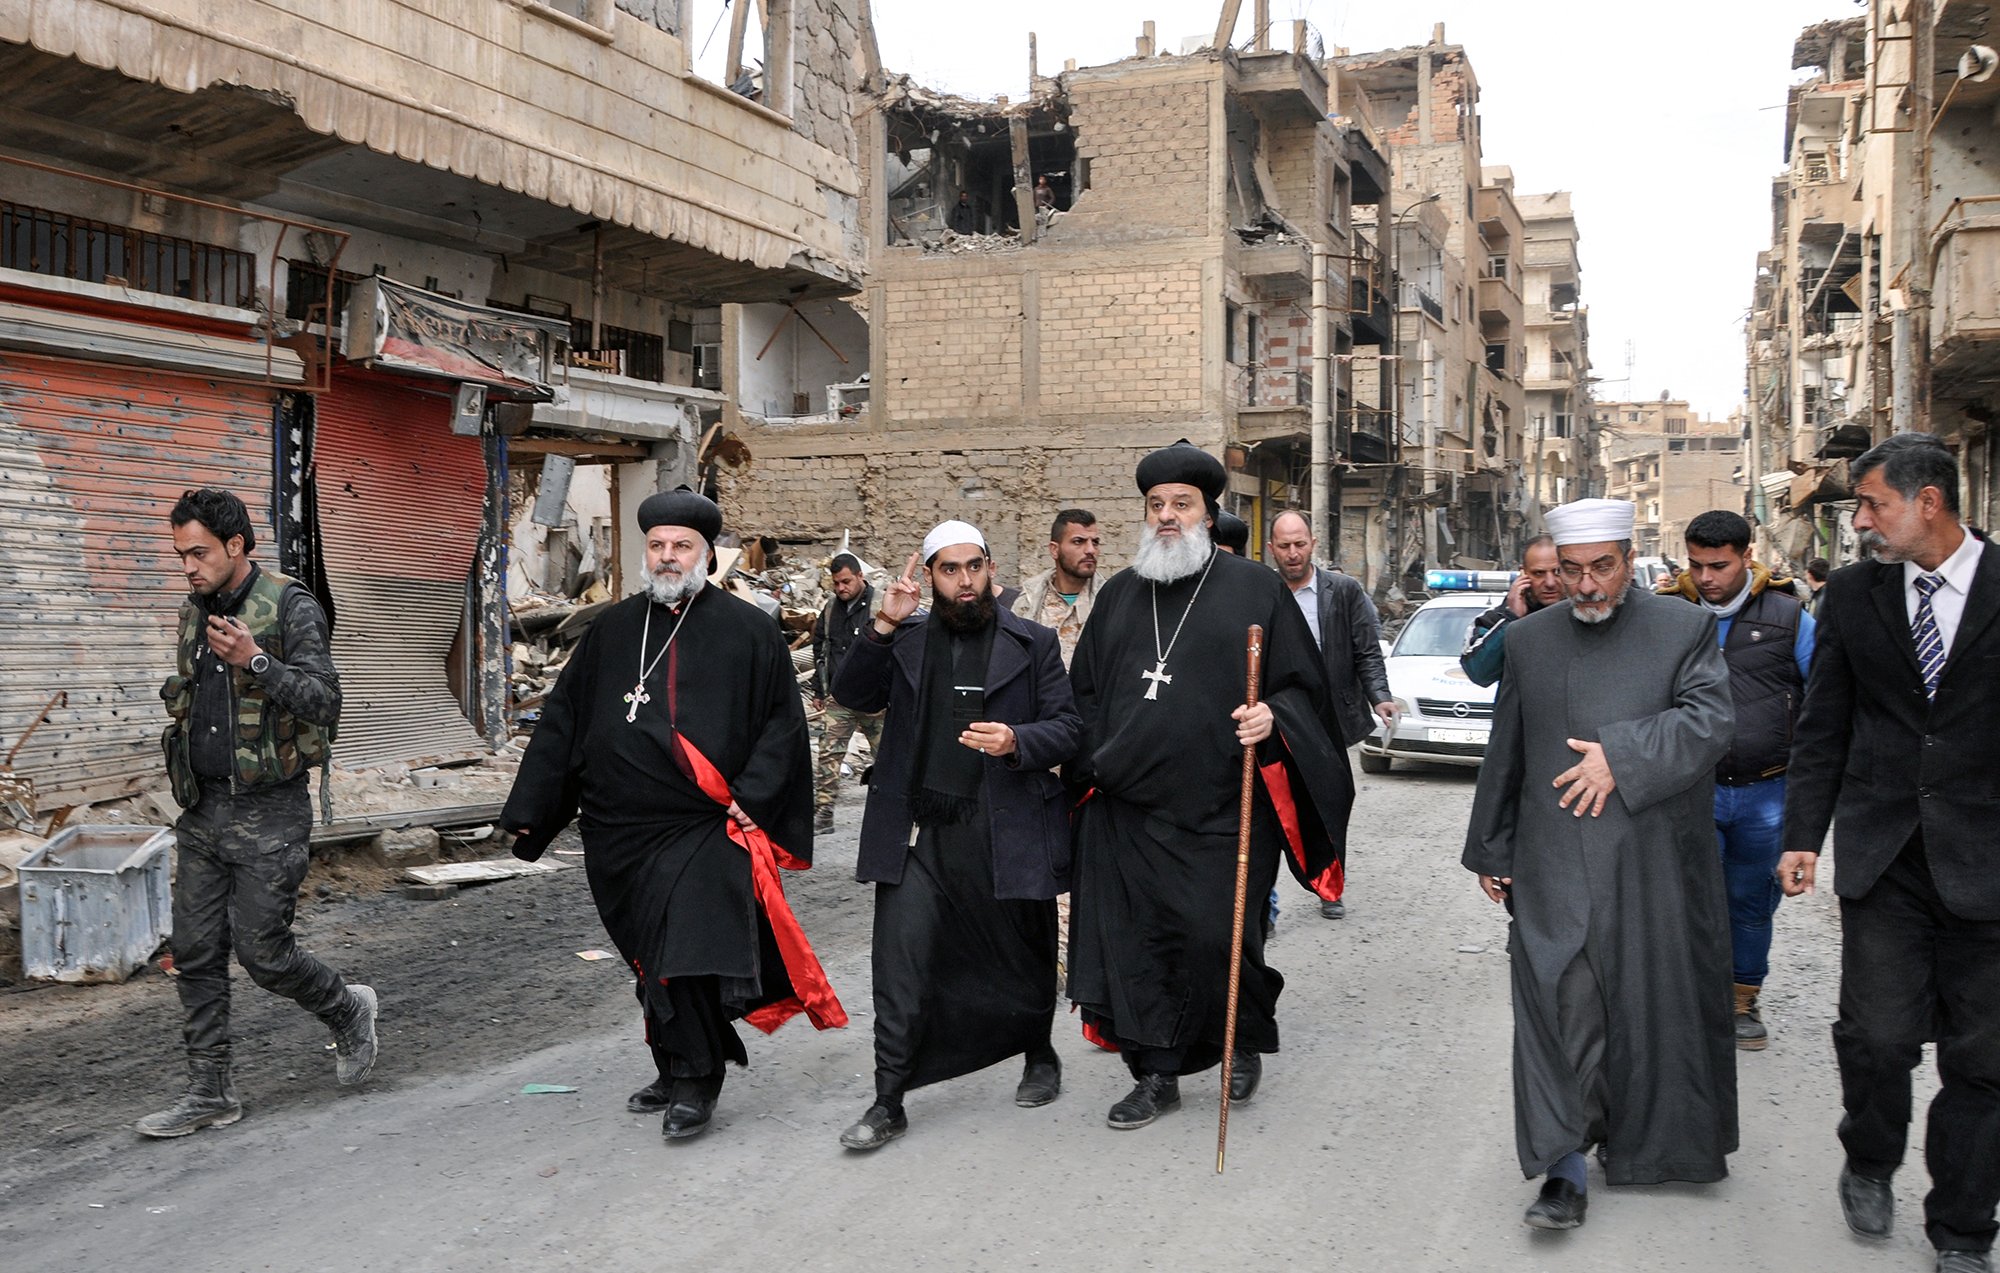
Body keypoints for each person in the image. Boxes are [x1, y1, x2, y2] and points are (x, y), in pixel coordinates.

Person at [501, 487, 844, 1142]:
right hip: (617, 829)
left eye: (680, 546)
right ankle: (674, 1058)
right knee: (647, 954)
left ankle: (697, 1078)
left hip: (703, 824)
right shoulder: (612, 628)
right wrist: (532, 808)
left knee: (683, 948)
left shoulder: (748, 630)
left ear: (706, 554)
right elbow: (565, 721)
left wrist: (755, 793)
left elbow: (782, 723)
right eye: (656, 545)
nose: (665, 556)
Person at [1463, 496, 1736, 1231]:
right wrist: (1490, 844)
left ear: (1627, 556)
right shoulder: (1530, 640)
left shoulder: (1685, 628)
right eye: (1572, 571)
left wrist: (1624, 753)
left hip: (1652, 860)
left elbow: (1712, 722)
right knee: (1560, 1003)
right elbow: (1509, 747)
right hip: (1552, 856)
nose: (1585, 586)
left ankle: (1647, 1142)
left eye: (1602, 569)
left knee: (1650, 1006)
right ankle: (1564, 1166)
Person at [1066, 442, 1352, 1129]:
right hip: (1131, 814)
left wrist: (1271, 715)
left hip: (1226, 810)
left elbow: (1304, 689)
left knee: (1215, 939)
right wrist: (1093, 763)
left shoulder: (1254, 589)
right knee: (1140, 949)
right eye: (1155, 505)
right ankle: (1155, 1073)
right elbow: (1084, 697)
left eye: (1181, 504)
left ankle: (1241, 1034)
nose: (1166, 515)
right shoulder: (1119, 595)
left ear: (1207, 511)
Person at [1779, 433, 2000, 1272]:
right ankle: (1870, 1156)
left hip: (1990, 861)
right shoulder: (1856, 598)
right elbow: (1824, 725)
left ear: (1929, 502)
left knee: (1985, 1060)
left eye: (1873, 504)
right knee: (1876, 1037)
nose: (1862, 522)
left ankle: (1964, 1228)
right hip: (1888, 856)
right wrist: (1804, 835)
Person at [830, 521, 1080, 1151]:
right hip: (919, 830)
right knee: (901, 958)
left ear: (990, 569)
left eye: (974, 567)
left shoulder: (1034, 642)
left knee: (1020, 954)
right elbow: (849, 693)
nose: (964, 581)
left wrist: (1018, 740)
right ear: (932, 576)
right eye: (950, 569)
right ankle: (889, 1098)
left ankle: (1038, 1052)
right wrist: (882, 626)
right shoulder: (906, 639)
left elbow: (1070, 727)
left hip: (1006, 825)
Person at [140, 488, 374, 1139]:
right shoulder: (195, 609)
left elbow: (325, 700)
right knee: (194, 949)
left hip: (271, 812)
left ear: (236, 545)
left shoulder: (288, 604)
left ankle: (348, 1008)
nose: (188, 565)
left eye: (199, 552)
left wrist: (257, 660)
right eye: (180, 553)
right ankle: (209, 1090)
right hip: (205, 809)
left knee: (264, 952)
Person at [1659, 509, 1815, 1050]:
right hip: (1687, 790)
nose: (1706, 578)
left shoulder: (1790, 617)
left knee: (1750, 901)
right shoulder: (1666, 614)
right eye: (1697, 565)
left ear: (1746, 557)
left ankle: (1742, 1001)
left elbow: (1824, 704)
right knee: (1684, 900)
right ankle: (1689, 998)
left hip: (1765, 792)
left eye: (1719, 566)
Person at [1266, 509, 1392, 920]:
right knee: (1273, 809)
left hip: (1329, 719)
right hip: (1279, 720)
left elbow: (1366, 650)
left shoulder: (1343, 591)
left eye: (1300, 544)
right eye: (1284, 546)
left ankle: (1328, 885)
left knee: (1332, 802)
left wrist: (1380, 696)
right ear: (1272, 549)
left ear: (1313, 544)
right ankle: (1262, 905)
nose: (1293, 553)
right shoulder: (1262, 593)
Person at [812, 552, 884, 833]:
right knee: (829, 756)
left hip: (875, 700)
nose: (841, 588)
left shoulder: (881, 606)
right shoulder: (830, 609)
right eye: (836, 583)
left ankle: (894, 813)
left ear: (859, 577)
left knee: (889, 758)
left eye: (846, 582)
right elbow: (821, 648)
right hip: (839, 698)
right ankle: (824, 813)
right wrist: (820, 688)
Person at [1460, 534, 1566, 688]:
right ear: (1523, 573)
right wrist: (1512, 619)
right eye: (1539, 573)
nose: (1550, 583)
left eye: (1557, 572)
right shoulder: (1494, 620)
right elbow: (1479, 674)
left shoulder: (1586, 616)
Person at [1012, 509, 1104, 671]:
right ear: (1054, 550)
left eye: (1095, 542)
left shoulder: (1108, 601)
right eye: (1078, 541)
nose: (1090, 550)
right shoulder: (1029, 602)